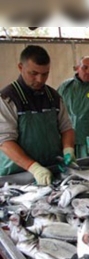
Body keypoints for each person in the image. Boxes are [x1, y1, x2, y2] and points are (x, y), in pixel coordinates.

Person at [0, 45, 75, 184]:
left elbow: (66, 128)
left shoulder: (53, 96)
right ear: (20, 67)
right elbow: (4, 141)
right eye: (33, 73)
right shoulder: (7, 99)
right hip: (18, 176)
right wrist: (34, 168)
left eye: (45, 74)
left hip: (52, 170)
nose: (40, 79)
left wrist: (68, 149)